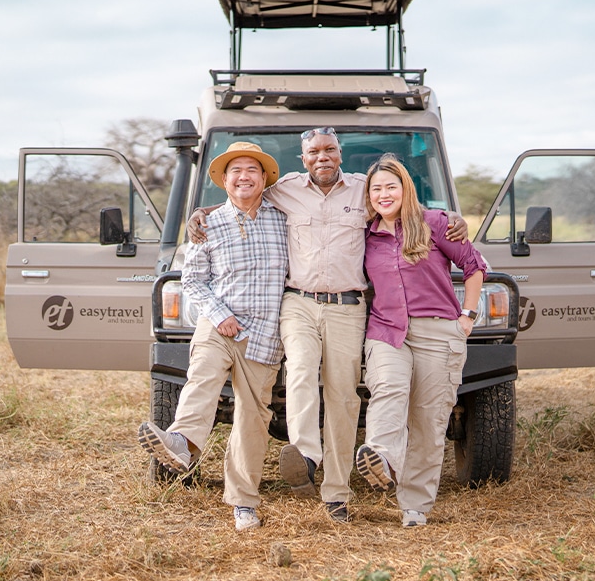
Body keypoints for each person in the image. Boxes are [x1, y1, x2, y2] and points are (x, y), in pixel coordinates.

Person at [189, 128, 467, 524]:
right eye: (313, 151)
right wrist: (202, 213)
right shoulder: (283, 189)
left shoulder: (362, 190)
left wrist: (452, 218)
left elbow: (400, 204)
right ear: (302, 159)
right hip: (297, 301)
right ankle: (305, 454)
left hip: (348, 306)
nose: (322, 157)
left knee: (343, 397)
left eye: (329, 150)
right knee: (301, 366)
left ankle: (337, 492)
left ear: (340, 154)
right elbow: (242, 194)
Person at [138, 141, 288, 532]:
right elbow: (192, 279)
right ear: (223, 180)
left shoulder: (285, 217)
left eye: (251, 170)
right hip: (220, 324)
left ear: (263, 178)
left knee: (252, 419)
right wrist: (220, 316)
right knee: (201, 374)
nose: (243, 177)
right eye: (234, 170)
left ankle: (244, 503)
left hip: (266, 333)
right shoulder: (207, 225)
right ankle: (182, 445)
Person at [354, 153, 486, 527]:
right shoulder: (365, 233)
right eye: (376, 188)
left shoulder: (436, 223)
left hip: (439, 332)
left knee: (428, 421)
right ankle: (381, 457)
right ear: (369, 194)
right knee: (388, 389)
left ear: (404, 189)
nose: (383, 194)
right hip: (386, 330)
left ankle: (415, 506)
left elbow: (474, 267)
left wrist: (467, 317)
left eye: (390, 186)